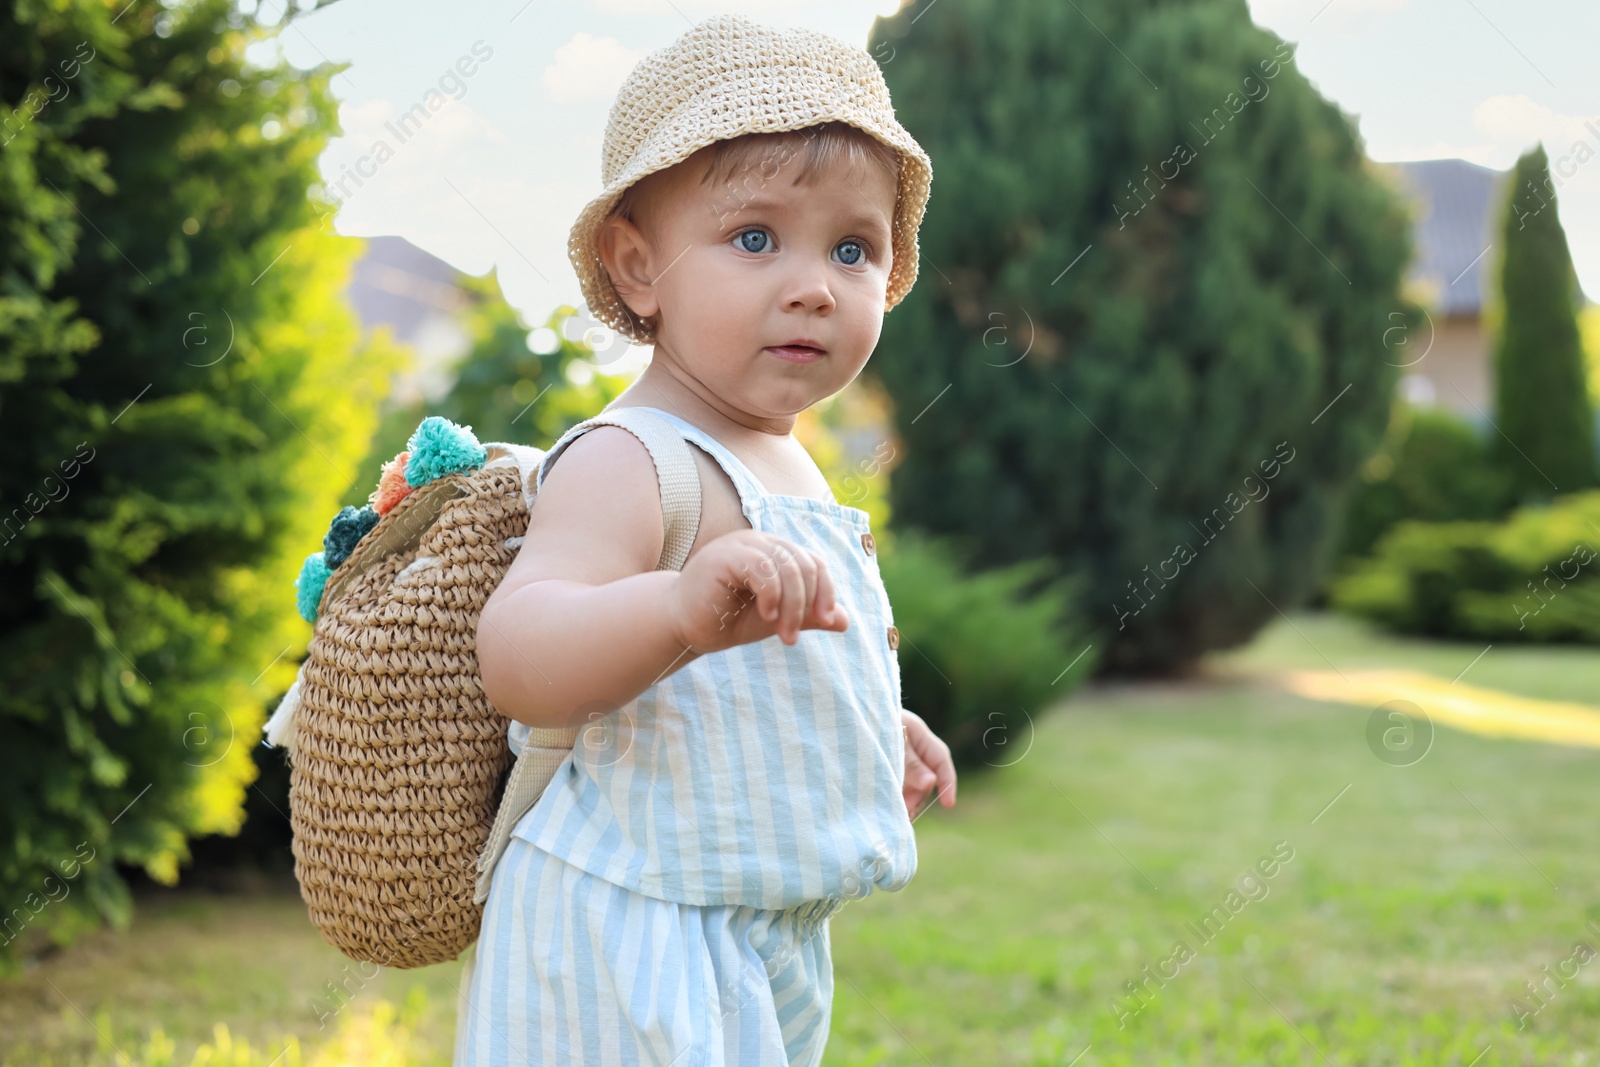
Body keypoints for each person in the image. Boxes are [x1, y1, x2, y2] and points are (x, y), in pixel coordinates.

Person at [454, 14, 957, 1065]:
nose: (814, 281)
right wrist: (677, 608)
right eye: (756, 237)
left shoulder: (795, 463)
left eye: (853, 247)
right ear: (639, 268)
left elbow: (780, 671)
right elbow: (519, 654)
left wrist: (871, 725)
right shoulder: (631, 456)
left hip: (760, 931)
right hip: (624, 931)